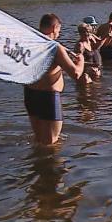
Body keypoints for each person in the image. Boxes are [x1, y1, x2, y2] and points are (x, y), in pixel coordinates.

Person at [25, 14, 85, 145]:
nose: (58, 33)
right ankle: (50, 165)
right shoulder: (55, 48)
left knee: (39, 139)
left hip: (30, 94)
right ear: (53, 28)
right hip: (48, 97)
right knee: (51, 143)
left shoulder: (29, 44)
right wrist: (81, 61)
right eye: (59, 30)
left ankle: (35, 162)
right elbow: (76, 74)